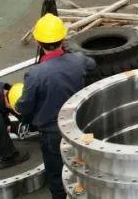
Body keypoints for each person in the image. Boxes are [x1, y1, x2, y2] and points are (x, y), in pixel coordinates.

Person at [16, 14, 95, 199]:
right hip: (77, 127)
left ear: (38, 41)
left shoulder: (35, 74)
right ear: (63, 38)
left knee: (57, 175)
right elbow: (92, 65)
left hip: (52, 133)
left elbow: (24, 107)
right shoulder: (79, 60)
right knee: (84, 166)